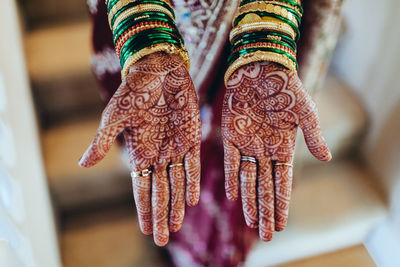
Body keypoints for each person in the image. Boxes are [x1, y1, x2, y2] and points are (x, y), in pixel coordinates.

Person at [80, 0, 342, 266]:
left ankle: (207, 242)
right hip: (179, 19)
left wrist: (266, 39)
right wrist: (148, 38)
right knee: (162, 136)